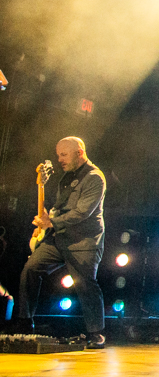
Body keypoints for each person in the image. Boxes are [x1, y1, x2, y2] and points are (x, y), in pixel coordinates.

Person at [18, 137, 107, 347]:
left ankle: (96, 333)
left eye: (64, 155)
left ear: (79, 153)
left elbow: (82, 212)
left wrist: (52, 222)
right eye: (58, 155)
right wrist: (46, 220)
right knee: (30, 269)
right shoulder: (66, 177)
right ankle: (24, 322)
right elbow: (60, 208)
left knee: (85, 284)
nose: (60, 160)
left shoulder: (95, 178)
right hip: (59, 238)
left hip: (83, 242)